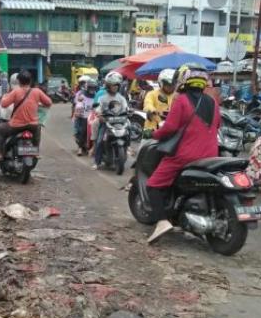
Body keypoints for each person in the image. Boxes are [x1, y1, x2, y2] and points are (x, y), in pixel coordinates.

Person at [145, 65, 220, 243]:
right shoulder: (213, 102)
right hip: (210, 155)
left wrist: (154, 134)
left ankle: (162, 221)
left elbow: (170, 127)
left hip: (185, 155)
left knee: (153, 185)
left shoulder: (182, 100)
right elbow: (218, 126)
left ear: (183, 81)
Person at [0, 70, 52, 160]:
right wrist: (38, 104)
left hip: (16, 125)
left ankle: (0, 153)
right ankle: (35, 152)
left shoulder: (16, 92)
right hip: (32, 126)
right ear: (30, 81)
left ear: (19, 81)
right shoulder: (37, 91)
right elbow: (49, 103)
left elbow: (4, 104)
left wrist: (4, 97)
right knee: (38, 128)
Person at [91, 72, 128, 170]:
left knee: (128, 131)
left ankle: (127, 149)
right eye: (113, 85)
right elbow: (98, 107)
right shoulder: (102, 98)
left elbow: (125, 107)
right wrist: (99, 114)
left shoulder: (121, 98)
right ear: (108, 86)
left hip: (119, 121)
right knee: (99, 141)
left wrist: (129, 111)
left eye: (117, 85)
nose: (115, 87)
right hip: (106, 122)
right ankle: (97, 162)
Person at [73, 79, 97, 156]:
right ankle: (80, 148)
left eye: (93, 88)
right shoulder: (82, 95)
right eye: (91, 88)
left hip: (94, 116)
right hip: (84, 116)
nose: (92, 90)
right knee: (83, 131)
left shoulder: (96, 95)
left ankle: (93, 147)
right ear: (87, 88)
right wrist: (79, 107)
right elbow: (78, 104)